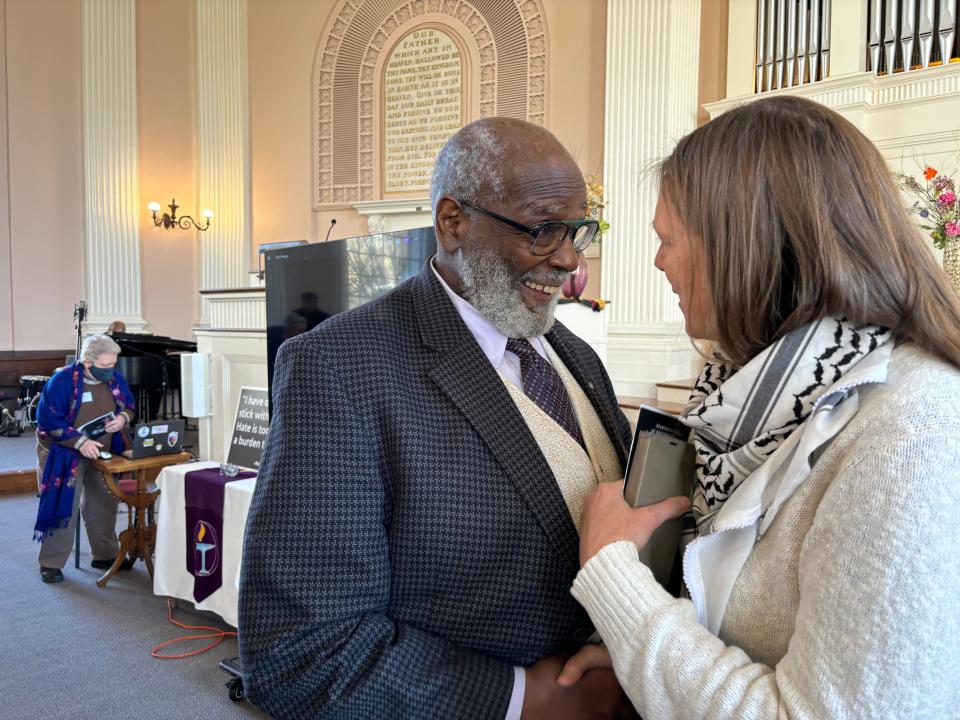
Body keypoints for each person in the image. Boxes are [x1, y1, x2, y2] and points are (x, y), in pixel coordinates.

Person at [557, 95, 960, 718]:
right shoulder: (750, 400)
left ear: (745, 244)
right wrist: (647, 656)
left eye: (669, 240)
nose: (658, 262)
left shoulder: (910, 435)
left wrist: (618, 581)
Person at [239, 117, 635, 719]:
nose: (569, 259)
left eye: (578, 230)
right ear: (453, 223)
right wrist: (526, 699)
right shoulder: (339, 367)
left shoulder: (578, 358)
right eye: (543, 231)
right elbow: (301, 651)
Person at [34, 334, 137, 583]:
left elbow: (129, 406)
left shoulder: (113, 377)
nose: (111, 371)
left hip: (103, 450)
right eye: (105, 366)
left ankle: (104, 554)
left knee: (104, 501)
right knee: (63, 504)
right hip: (65, 451)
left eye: (113, 364)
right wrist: (80, 442)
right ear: (87, 363)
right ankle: (51, 563)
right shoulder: (62, 381)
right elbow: (48, 420)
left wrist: (122, 419)